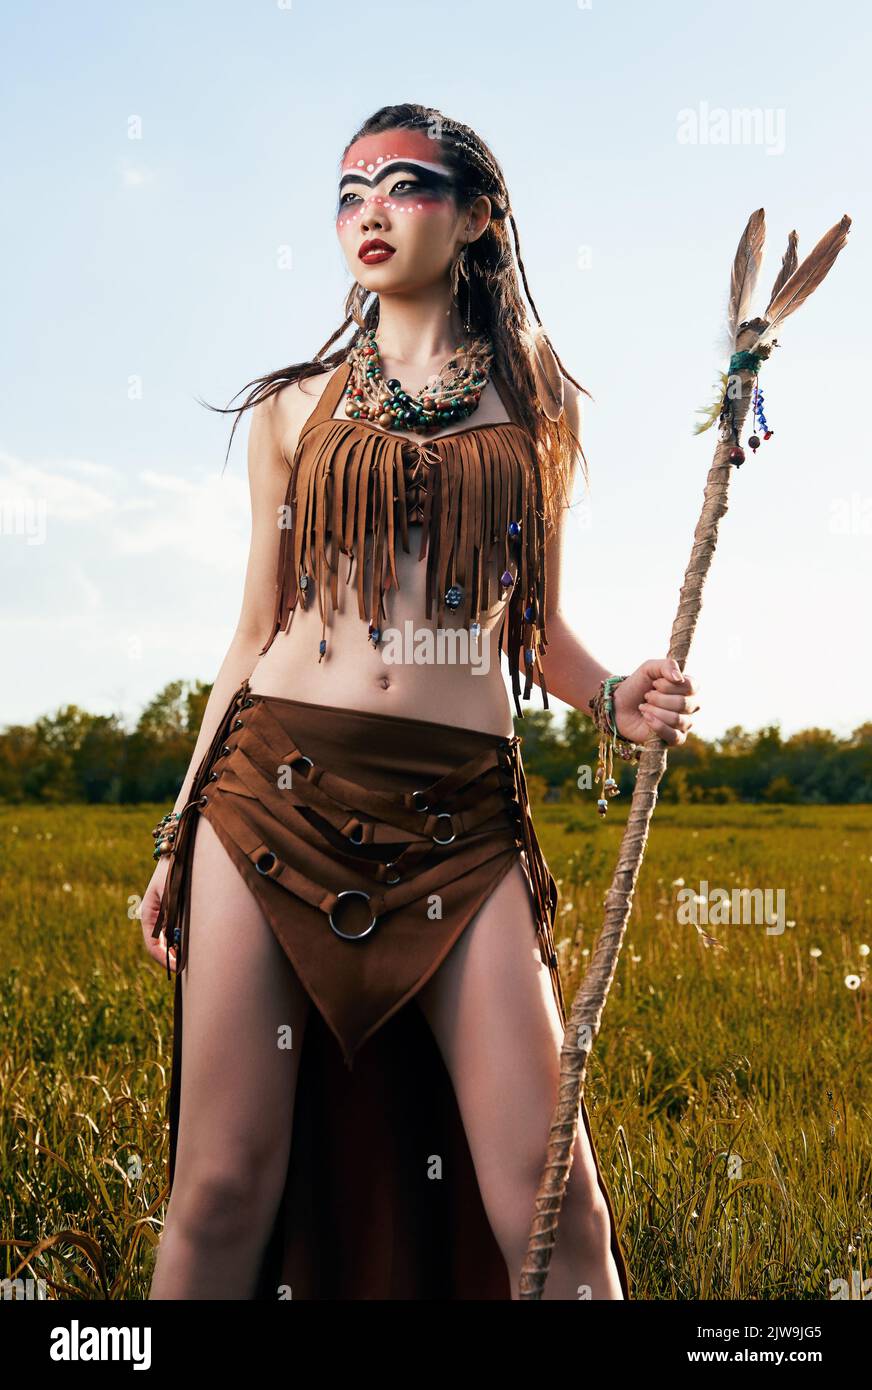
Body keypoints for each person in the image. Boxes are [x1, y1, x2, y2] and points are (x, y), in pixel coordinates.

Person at [141, 104, 700, 1302]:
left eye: (404, 184)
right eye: (349, 193)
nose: (371, 211)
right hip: (270, 796)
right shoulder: (292, 409)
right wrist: (175, 833)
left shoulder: (533, 403)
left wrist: (612, 695)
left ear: (479, 216)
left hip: (459, 816)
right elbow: (249, 635)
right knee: (224, 1184)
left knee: (553, 1209)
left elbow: (529, 622)